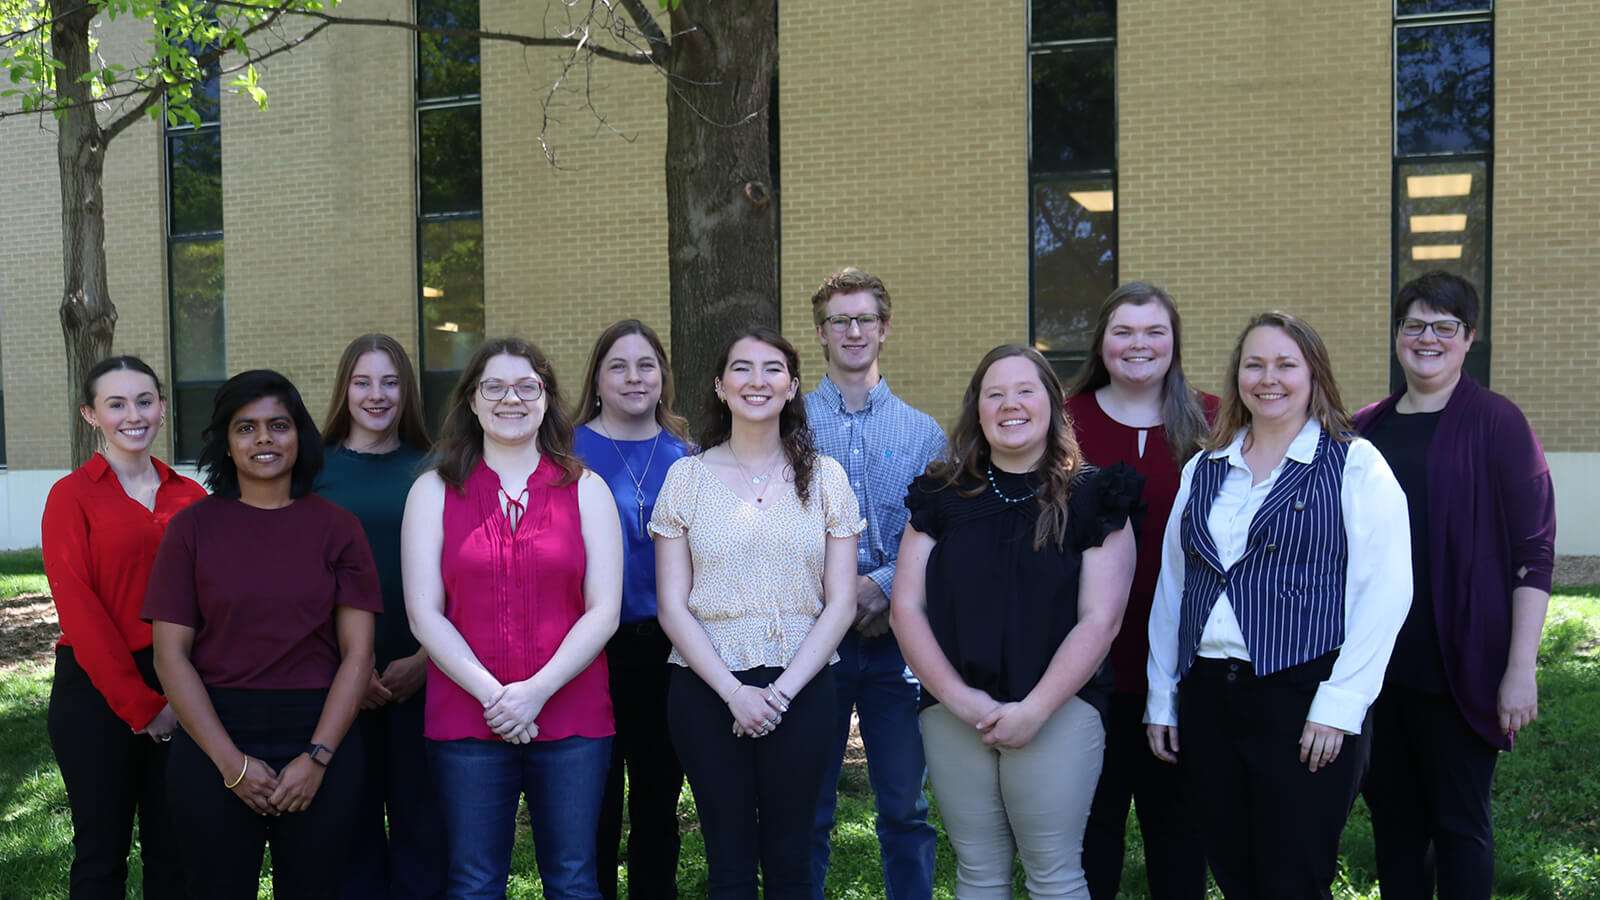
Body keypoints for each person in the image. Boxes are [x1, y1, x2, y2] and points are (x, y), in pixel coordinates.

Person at [1145, 311, 1411, 899]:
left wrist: (1339, 706)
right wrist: (1163, 696)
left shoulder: (1356, 464)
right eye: (1255, 364)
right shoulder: (1204, 468)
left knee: (1294, 877)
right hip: (1208, 696)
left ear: (1314, 374)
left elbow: (1385, 594)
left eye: (1286, 364)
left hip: (1304, 695)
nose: (1270, 378)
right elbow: (1174, 589)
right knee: (1234, 872)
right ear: (1238, 375)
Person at [891, 344, 1139, 900]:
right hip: (955, 712)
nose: (1010, 405)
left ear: (1051, 402)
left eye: (1024, 391)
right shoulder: (940, 495)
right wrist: (960, 699)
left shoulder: (1095, 495)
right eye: (994, 394)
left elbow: (1101, 620)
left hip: (1056, 711)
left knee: (1054, 874)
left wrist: (1035, 709)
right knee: (977, 873)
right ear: (976, 409)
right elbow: (905, 607)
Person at [1354, 272, 1556, 900]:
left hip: (1461, 666)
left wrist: (1520, 668)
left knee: (1460, 824)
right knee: (1394, 825)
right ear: (1397, 336)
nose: (1428, 338)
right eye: (1414, 324)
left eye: (1445, 326)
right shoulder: (1366, 430)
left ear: (1469, 338)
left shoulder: (1498, 424)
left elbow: (1534, 554)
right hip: (1378, 668)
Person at [145, 369, 382, 900]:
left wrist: (317, 757)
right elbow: (170, 658)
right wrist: (232, 765)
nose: (264, 439)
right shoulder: (191, 529)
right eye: (245, 428)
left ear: (300, 435)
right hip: (215, 737)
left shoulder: (340, 528)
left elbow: (358, 654)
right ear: (226, 445)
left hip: (320, 732)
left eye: (278, 425)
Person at [401, 337, 623, 900]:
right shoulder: (433, 489)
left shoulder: (586, 488)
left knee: (574, 880)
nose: (511, 400)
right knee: (474, 882)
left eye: (527, 387)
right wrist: (496, 697)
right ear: (472, 402)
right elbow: (424, 613)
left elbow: (604, 610)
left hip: (573, 714)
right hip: (465, 717)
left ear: (547, 400)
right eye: (494, 387)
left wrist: (536, 692)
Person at [651, 326, 862, 899]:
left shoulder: (826, 479)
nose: (757, 381)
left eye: (772, 369)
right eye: (741, 368)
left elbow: (841, 601)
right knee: (729, 862)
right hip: (705, 687)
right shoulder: (686, 479)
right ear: (720, 386)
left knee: (794, 861)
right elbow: (672, 605)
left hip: (806, 686)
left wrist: (783, 692)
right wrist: (734, 693)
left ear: (793, 386)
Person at [1065, 283, 1213, 900]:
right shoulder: (1065, 421)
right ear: (1102, 340)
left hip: (1185, 668)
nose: (1139, 344)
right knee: (1088, 842)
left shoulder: (1214, 420)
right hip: (1083, 667)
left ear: (1174, 341)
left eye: (1154, 331)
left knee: (1179, 843)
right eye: (1124, 330)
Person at [42, 356, 207, 899]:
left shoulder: (192, 498)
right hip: (96, 688)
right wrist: (143, 706)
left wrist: (181, 698)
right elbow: (80, 610)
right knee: (101, 854)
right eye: (115, 403)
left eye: (144, 400)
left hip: (181, 678)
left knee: (178, 850)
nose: (132, 415)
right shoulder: (71, 496)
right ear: (92, 414)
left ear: (162, 406)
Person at [802, 268, 941, 900]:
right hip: (810, 643)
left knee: (906, 809)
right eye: (839, 321)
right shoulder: (788, 427)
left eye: (864, 319)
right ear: (822, 335)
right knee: (808, 808)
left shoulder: (923, 433)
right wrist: (840, 592)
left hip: (897, 644)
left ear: (884, 329)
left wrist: (881, 584)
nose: (853, 331)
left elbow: (936, 531)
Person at [315, 334, 443, 900]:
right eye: (363, 382)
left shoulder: (439, 468)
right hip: (336, 679)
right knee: (349, 831)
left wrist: (426, 659)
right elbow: (297, 582)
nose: (376, 395)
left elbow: (461, 574)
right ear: (345, 389)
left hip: (426, 675)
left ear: (407, 390)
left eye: (390, 382)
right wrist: (350, 669)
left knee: (425, 831)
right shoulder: (311, 472)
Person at [573, 320, 693, 900]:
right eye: (618, 366)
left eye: (646, 365)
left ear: (663, 377)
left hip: (668, 650)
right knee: (593, 804)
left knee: (656, 801)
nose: (634, 377)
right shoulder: (564, 453)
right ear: (596, 379)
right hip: (588, 650)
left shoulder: (690, 457)